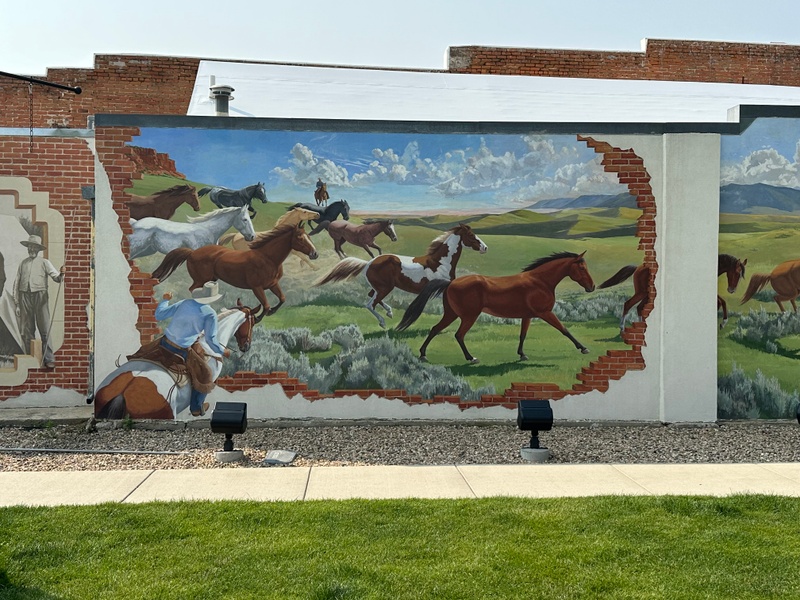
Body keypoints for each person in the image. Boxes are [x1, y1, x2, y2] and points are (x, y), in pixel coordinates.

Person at [154, 282, 231, 417]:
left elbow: (159, 316)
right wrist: (222, 351)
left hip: (164, 342)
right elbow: (210, 340)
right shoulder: (210, 314)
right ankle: (196, 407)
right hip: (181, 350)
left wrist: (165, 300)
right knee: (206, 373)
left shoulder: (184, 303)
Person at [13, 234, 64, 369]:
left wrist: (62, 274)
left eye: (34, 247)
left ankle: (49, 358)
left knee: (45, 328)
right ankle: (30, 357)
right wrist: (17, 303)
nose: (32, 249)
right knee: (26, 329)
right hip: (24, 296)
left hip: (40, 296)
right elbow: (16, 283)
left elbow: (57, 278)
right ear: (28, 247)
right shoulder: (23, 263)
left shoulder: (45, 262)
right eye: (30, 246)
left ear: (38, 249)